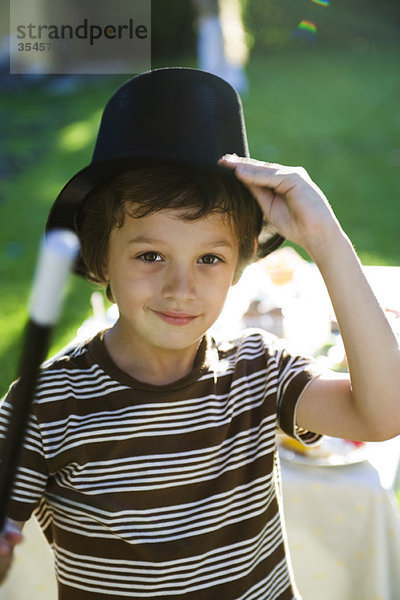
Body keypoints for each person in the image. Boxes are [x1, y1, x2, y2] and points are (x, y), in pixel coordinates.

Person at [0, 67, 399, 600]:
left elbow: (383, 413)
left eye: (210, 258)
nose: (181, 287)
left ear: (241, 264)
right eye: (150, 255)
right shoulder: (47, 407)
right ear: (101, 260)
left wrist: (325, 238)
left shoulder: (260, 370)